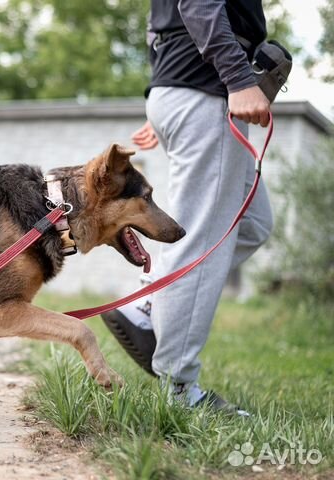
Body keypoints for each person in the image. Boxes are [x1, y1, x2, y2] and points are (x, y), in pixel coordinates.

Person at [101, 0, 275, 415]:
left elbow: (154, 24)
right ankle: (179, 388)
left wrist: (168, 88)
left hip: (185, 83)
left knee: (251, 223)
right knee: (200, 239)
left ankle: (149, 306)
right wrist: (237, 79)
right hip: (206, 86)